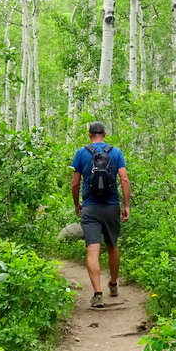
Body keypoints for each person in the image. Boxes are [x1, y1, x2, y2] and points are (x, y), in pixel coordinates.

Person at [71, 121, 131, 308]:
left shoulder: (81, 153)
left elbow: (75, 183)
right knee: (112, 245)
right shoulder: (116, 152)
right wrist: (126, 205)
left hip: (90, 208)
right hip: (111, 206)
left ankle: (97, 294)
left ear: (89, 135)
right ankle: (113, 284)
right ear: (104, 133)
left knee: (92, 250)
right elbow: (124, 179)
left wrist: (77, 204)